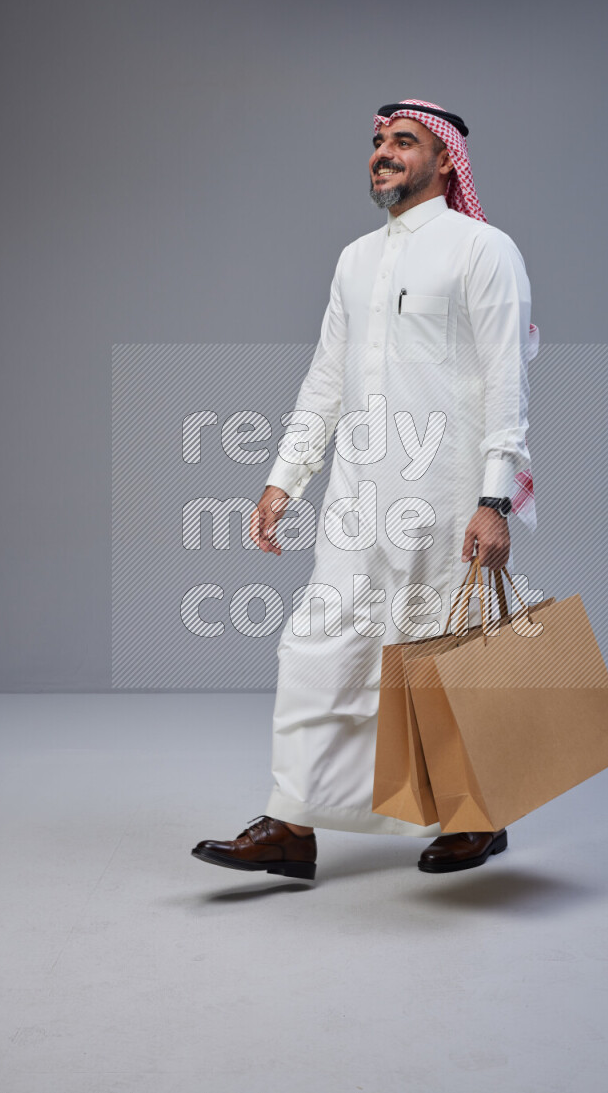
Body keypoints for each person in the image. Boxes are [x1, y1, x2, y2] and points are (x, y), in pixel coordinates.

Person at [192, 99, 539, 881]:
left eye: (403, 142)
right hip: (358, 498)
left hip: (447, 496)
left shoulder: (483, 250)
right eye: (378, 142)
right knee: (319, 650)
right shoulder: (354, 259)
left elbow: (507, 379)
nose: (383, 153)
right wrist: (286, 477)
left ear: (446, 161)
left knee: (447, 658)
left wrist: (495, 498)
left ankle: (478, 816)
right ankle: (291, 824)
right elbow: (326, 380)